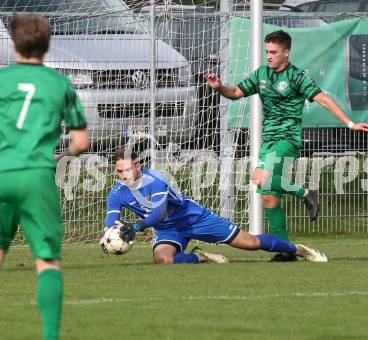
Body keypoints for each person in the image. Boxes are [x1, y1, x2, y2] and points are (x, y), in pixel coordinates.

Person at [205, 30, 368, 261]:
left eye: (274, 52)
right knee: (268, 198)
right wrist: (220, 87)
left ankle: (306, 193)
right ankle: (285, 250)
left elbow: (323, 99)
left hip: (287, 139)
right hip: (269, 140)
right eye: (267, 52)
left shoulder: (296, 77)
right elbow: (235, 92)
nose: (269, 56)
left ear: (286, 52)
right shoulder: (262, 74)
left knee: (259, 179)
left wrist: (350, 123)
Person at [0, 14, 89, 340]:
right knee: (47, 262)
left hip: (1, 171)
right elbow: (81, 142)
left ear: (13, 44)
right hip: (37, 175)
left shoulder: (1, 79)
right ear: (48, 45)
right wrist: (64, 155)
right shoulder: (60, 84)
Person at [99, 149, 328, 264]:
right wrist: (109, 237)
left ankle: (298, 249)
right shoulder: (117, 193)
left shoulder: (155, 179)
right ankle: (201, 257)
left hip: (194, 218)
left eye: (127, 169)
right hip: (169, 230)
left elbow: (158, 212)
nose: (124, 175)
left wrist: (137, 227)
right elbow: (112, 221)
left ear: (138, 165)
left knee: (250, 243)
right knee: (163, 260)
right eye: (119, 171)